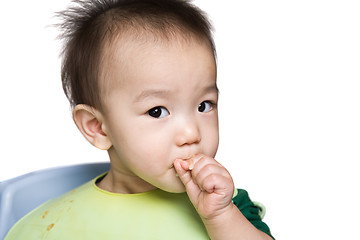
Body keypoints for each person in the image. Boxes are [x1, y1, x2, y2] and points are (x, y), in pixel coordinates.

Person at [5, 0, 274, 239]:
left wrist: (221, 216)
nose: (192, 133)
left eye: (204, 105)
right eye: (157, 111)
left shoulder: (226, 206)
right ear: (98, 127)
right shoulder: (47, 225)